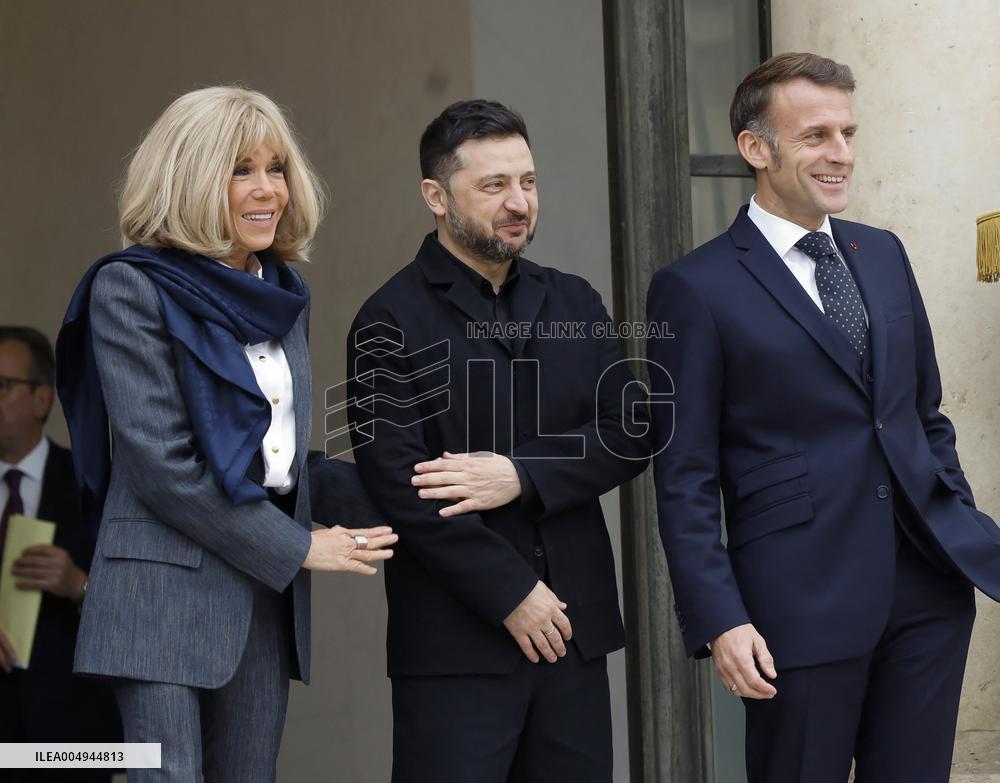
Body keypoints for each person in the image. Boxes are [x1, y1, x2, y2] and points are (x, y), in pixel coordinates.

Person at [647, 52, 1000, 782]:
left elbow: (920, 410)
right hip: (795, 602)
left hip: (927, 591)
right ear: (756, 149)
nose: (840, 153)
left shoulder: (883, 252)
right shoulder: (694, 287)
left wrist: (952, 506)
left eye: (847, 132)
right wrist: (720, 616)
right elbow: (683, 474)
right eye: (815, 136)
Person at [56, 86, 396, 783]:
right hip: (158, 601)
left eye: (276, 168)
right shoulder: (130, 288)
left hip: (259, 602)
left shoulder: (283, 293)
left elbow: (273, 457)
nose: (267, 188)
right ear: (190, 178)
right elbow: (163, 466)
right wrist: (301, 545)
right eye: (241, 169)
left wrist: (408, 492)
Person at [342, 99, 651, 783]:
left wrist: (522, 472)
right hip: (456, 647)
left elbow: (631, 430)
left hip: (573, 636)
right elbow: (400, 481)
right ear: (436, 195)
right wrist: (513, 590)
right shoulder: (388, 317)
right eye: (495, 185)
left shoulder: (574, 301)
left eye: (529, 182)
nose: (519, 202)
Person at [0, 327, 121, 782]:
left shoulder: (93, 486)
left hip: (72, 738)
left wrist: (77, 583)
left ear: (41, 399)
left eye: (0, 385)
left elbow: (143, 603)